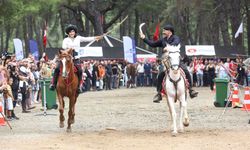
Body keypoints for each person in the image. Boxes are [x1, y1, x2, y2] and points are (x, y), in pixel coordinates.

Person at [140, 24, 198, 103]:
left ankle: (191, 90)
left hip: (175, 59)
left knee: (186, 71)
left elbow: (176, 42)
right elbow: (152, 44)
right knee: (160, 74)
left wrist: (169, 47)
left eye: (165, 30)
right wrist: (144, 38)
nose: (163, 32)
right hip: (166, 61)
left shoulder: (175, 37)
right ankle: (159, 93)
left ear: (169, 31)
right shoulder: (163, 40)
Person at [49, 24, 103, 93]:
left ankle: (79, 86)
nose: (72, 33)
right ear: (68, 33)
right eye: (70, 32)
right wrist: (71, 48)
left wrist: (96, 37)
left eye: (73, 32)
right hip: (67, 58)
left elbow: (87, 39)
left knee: (80, 71)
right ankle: (53, 84)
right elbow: (64, 47)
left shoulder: (78, 38)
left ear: (75, 32)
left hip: (76, 58)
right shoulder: (66, 40)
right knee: (57, 68)